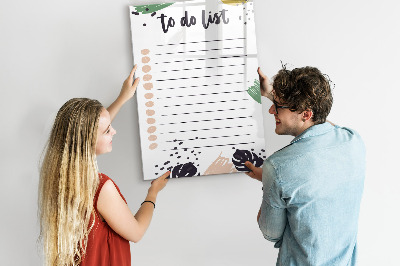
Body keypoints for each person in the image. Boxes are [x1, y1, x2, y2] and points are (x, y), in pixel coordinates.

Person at [38, 65, 170, 266]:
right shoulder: (100, 188)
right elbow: (136, 232)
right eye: (108, 131)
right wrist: (153, 193)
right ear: (88, 141)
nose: (114, 132)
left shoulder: (59, 176)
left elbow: (90, 130)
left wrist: (123, 98)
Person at [245, 66, 366, 265]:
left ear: (306, 114)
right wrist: (271, 94)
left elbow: (270, 233)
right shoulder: (353, 141)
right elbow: (322, 125)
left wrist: (269, 180)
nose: (270, 110)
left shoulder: (277, 167)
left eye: (278, 106)